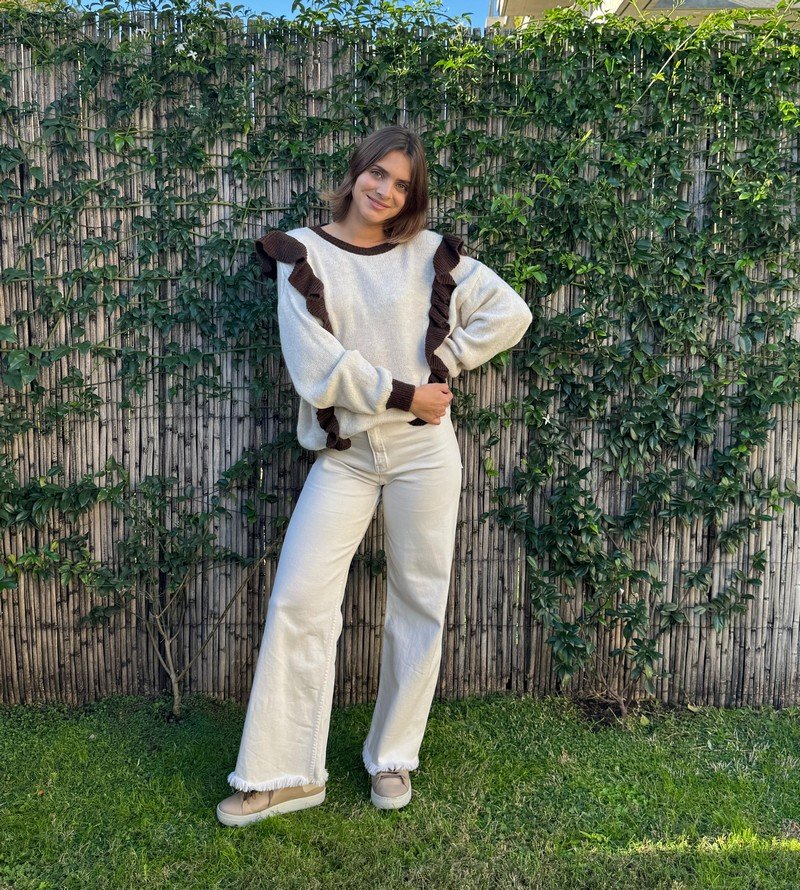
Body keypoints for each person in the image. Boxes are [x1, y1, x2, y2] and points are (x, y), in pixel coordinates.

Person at [216, 125, 532, 827]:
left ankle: (393, 756)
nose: (385, 190)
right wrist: (406, 392)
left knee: (420, 599)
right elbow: (317, 367)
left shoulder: (429, 253)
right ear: (356, 170)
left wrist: (447, 363)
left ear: (412, 197)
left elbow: (512, 313)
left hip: (425, 452)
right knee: (299, 599)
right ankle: (283, 774)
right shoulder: (302, 253)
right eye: (378, 173)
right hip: (348, 455)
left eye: (402, 185)